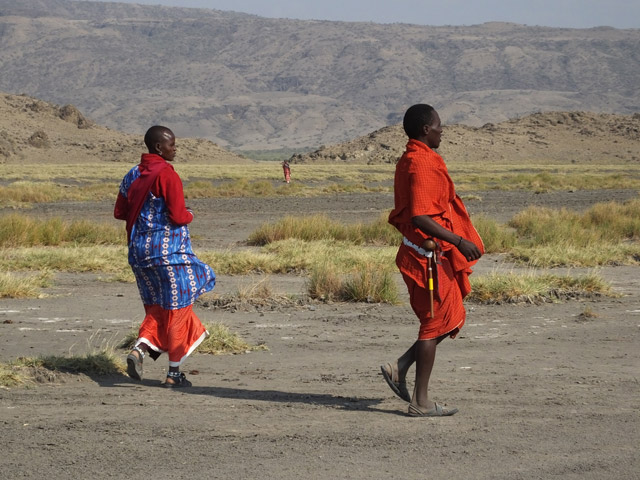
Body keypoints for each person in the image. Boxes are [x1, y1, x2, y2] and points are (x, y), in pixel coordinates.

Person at [381, 104, 483, 416]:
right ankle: (420, 402)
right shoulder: (420, 164)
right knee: (434, 322)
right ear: (426, 129)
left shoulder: (415, 159)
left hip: (428, 253)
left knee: (446, 315)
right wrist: (459, 240)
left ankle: (399, 367)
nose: (442, 131)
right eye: (439, 126)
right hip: (427, 257)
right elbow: (420, 215)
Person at [114, 126, 216, 388]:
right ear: (159, 148)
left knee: (158, 307)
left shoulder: (131, 175)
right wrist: (191, 214)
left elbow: (120, 212)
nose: (175, 149)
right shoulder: (167, 175)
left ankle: (138, 349)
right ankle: (174, 373)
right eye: (172, 145)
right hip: (170, 255)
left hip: (139, 254)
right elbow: (179, 216)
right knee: (179, 310)